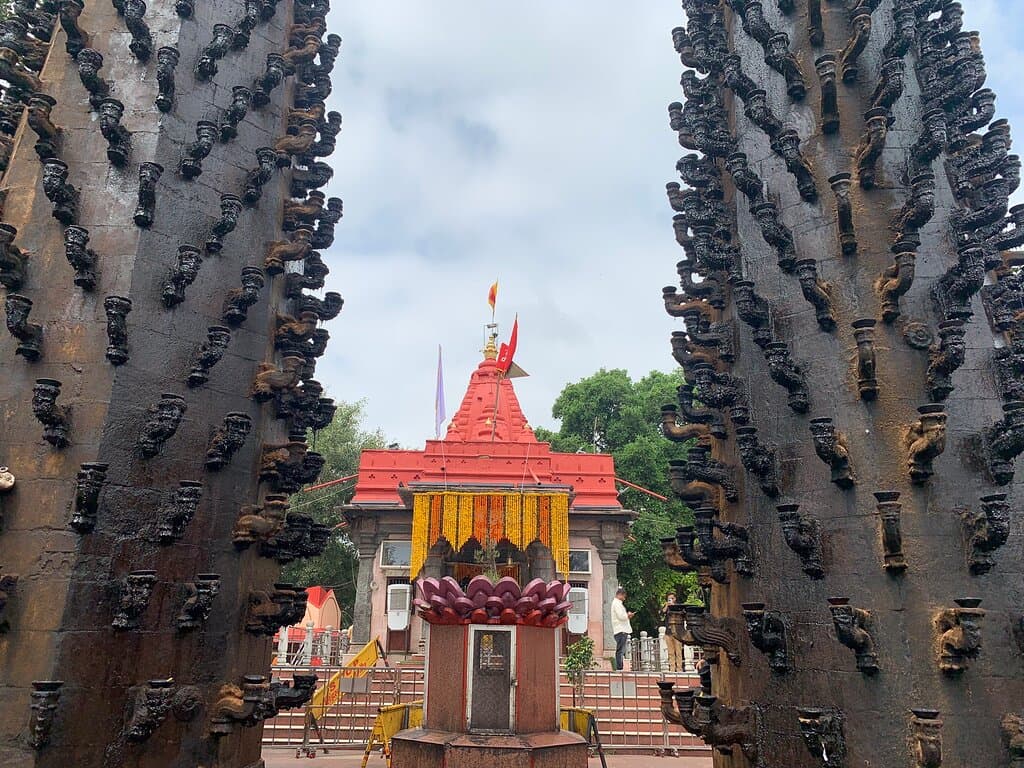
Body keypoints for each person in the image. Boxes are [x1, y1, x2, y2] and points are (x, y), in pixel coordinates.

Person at [610, 587, 634, 671]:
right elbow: (621, 616)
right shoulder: (617, 603)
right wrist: (628, 615)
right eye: (624, 596)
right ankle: (619, 667)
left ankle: (620, 666)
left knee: (620, 649)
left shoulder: (617, 603)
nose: (624, 598)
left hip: (620, 629)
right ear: (620, 595)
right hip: (620, 629)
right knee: (620, 650)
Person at [661, 592, 684, 672]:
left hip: (677, 633)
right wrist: (667, 605)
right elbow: (662, 613)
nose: (670, 600)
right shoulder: (667, 607)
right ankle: (672, 669)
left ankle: (679, 669)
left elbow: (682, 614)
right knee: (670, 652)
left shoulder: (678, 607)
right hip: (668, 632)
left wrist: (673, 605)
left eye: (671, 598)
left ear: (675, 599)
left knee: (678, 652)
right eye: (668, 599)